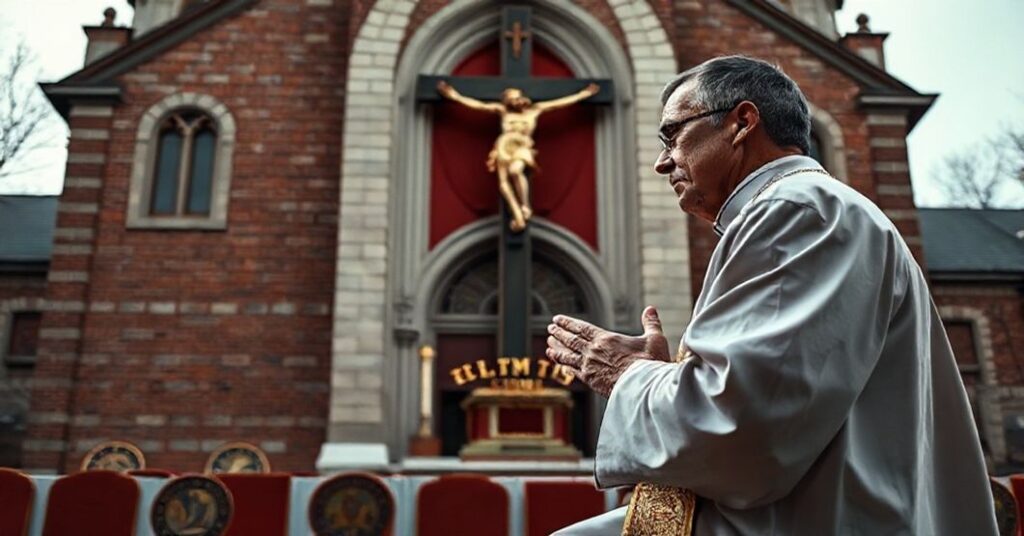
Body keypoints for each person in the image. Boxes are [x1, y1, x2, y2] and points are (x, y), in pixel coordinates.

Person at [546, 55, 997, 534]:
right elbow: (770, 392)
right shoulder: (800, 210)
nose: (662, 162)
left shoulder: (797, 211)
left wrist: (629, 376)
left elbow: (745, 429)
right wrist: (666, 378)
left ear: (741, 123)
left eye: (672, 135)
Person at [436, 81, 599, 231]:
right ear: (507, 101)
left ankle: (525, 206)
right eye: (512, 99)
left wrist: (581, 96)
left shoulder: (535, 110)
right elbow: (480, 106)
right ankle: (517, 213)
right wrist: (455, 97)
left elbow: (558, 104)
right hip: (504, 146)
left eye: (517, 97)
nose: (516, 101)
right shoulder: (502, 111)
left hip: (522, 146)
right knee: (503, 183)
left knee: (515, 170)